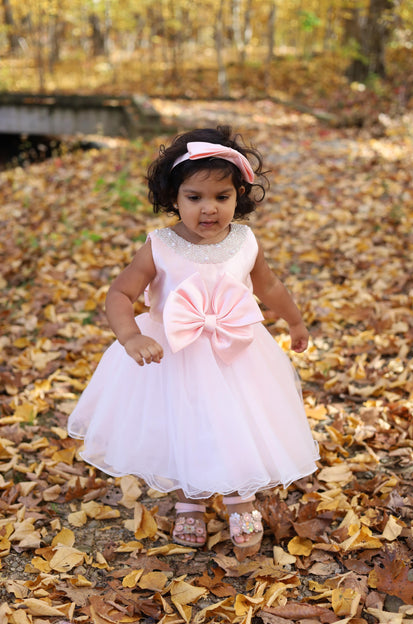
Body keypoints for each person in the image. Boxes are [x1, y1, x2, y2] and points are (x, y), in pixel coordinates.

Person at [68, 126, 319, 556]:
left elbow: (270, 287)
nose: (209, 209)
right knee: (185, 424)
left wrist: (295, 322)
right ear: (174, 196)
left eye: (222, 197)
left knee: (238, 419)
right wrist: (130, 336)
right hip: (174, 353)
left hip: (236, 351)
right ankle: (190, 500)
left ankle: (241, 496)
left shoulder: (244, 241)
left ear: (240, 194)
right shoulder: (160, 247)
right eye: (194, 197)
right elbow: (120, 294)